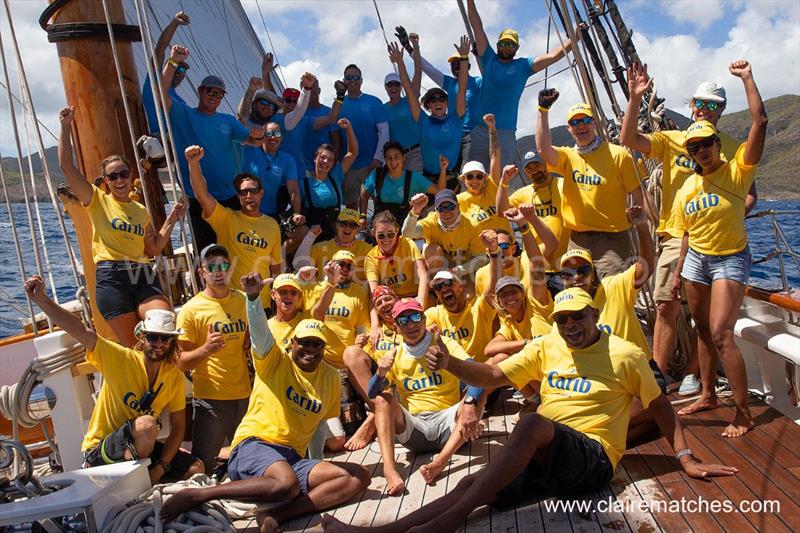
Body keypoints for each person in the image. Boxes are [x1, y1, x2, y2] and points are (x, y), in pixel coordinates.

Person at [322, 288, 738, 532]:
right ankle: (385, 530)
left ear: (594, 314)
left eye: (578, 317)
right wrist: (450, 363)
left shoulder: (625, 354)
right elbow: (488, 374)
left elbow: (662, 408)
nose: (571, 325)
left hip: (592, 460)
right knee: (476, 484)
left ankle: (439, 528)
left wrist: (685, 459)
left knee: (532, 422)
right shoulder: (547, 346)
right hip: (548, 455)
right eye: (562, 320)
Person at [160, 274, 370, 531]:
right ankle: (203, 494)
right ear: (292, 343)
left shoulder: (328, 377)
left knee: (358, 476)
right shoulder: (274, 362)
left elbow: (317, 427)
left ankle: (280, 515)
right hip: (255, 445)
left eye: (317, 344)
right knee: (286, 483)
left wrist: (317, 462)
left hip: (292, 458)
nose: (310, 349)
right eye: (304, 342)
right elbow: (260, 334)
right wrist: (252, 299)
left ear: (324, 348)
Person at [620, 62, 759, 395]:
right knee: (666, 303)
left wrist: (729, 214)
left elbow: (750, 195)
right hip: (674, 234)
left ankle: (694, 375)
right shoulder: (672, 140)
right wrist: (635, 98)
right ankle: (657, 377)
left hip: (715, 240)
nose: (706, 110)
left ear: (721, 111)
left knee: (706, 317)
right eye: (701, 103)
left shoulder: (731, 146)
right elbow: (628, 138)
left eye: (714, 105)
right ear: (692, 106)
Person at [24, 276, 204, 485]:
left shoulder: (173, 376)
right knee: (147, 426)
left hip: (140, 446)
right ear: (142, 337)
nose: (158, 344)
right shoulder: (120, 359)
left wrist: (161, 467)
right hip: (100, 451)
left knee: (195, 467)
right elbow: (81, 331)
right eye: (153, 337)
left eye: (165, 338)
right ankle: (139, 487)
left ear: (172, 341)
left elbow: (178, 427)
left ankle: (146, 481)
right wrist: (42, 300)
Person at [669, 61, 767, 438]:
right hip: (695, 263)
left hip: (729, 259)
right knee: (701, 330)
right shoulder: (686, 191)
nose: (701, 151)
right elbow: (687, 236)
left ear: (716, 143)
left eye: (706, 143)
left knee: (722, 332)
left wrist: (746, 78)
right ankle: (708, 393)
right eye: (693, 147)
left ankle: (743, 413)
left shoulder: (738, 170)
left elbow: (759, 123)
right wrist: (679, 273)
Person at [58, 106, 183, 347]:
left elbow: (153, 248)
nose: (119, 180)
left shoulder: (140, 211)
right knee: (136, 347)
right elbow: (66, 166)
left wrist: (171, 220)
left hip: (143, 274)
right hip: (112, 278)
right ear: (105, 181)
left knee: (162, 323)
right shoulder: (96, 200)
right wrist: (65, 127)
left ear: (129, 175)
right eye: (112, 177)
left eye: (123, 174)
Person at [365, 298, 485, 494]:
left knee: (476, 398)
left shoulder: (445, 344)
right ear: (395, 326)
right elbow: (371, 393)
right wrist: (380, 373)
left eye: (414, 317)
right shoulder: (393, 355)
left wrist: (470, 404)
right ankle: (390, 469)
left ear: (423, 318)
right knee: (382, 399)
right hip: (414, 428)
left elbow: (477, 375)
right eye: (403, 320)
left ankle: (440, 462)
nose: (410, 324)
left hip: (450, 424)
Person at [160, 45, 264, 251]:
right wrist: (172, 62)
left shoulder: (227, 121)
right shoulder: (183, 114)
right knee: (206, 251)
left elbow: (252, 142)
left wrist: (259, 137)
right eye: (210, 91)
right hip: (199, 198)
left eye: (219, 94)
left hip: (229, 197)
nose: (214, 97)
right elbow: (160, 93)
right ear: (200, 91)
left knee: (234, 249)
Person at [536, 89, 646, 278]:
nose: (581, 126)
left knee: (613, 294)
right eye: (575, 122)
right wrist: (542, 110)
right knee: (579, 295)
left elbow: (639, 194)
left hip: (613, 240)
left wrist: (644, 224)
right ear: (568, 129)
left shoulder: (619, 155)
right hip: (577, 240)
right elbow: (543, 150)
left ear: (594, 123)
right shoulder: (568, 157)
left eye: (586, 120)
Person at [465, 0, 576, 168]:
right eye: (503, 43)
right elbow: (476, 25)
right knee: (472, 176)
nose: (506, 47)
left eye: (510, 44)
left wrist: (575, 37)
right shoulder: (488, 58)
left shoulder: (523, 66)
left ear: (516, 48)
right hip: (481, 130)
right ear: (497, 45)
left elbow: (553, 56)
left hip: (506, 132)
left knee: (502, 177)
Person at [176, 244, 250, 474]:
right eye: (212, 267)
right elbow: (181, 361)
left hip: (245, 396)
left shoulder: (243, 300)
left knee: (250, 457)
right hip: (211, 401)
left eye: (224, 266)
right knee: (202, 465)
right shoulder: (190, 311)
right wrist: (206, 349)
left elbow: (248, 340)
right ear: (202, 273)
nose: (219, 272)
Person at [185, 145, 282, 310]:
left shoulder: (272, 225)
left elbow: (276, 268)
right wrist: (193, 163)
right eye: (244, 193)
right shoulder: (227, 218)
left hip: (262, 304)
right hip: (232, 303)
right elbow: (202, 195)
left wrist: (276, 301)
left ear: (261, 193)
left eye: (253, 191)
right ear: (238, 197)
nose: (249, 196)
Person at [388, 38, 468, 190]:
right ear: (428, 105)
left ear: (447, 102)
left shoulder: (456, 118)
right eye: (433, 100)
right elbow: (410, 93)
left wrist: (464, 59)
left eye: (442, 99)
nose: (438, 103)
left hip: (454, 179)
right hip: (428, 180)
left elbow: (462, 88)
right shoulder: (423, 121)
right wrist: (400, 62)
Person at [497, 153, 570, 296]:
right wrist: (504, 181)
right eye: (529, 168)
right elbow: (501, 211)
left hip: (567, 264)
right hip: (538, 267)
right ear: (525, 173)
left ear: (546, 164)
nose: (535, 170)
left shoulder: (564, 185)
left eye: (537, 164)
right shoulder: (523, 194)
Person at [424, 230, 502, 362]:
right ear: (436, 294)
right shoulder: (433, 314)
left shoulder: (478, 309)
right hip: (453, 375)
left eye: (448, 283)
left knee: (501, 359)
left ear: (461, 287)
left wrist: (494, 252)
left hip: (479, 372)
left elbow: (495, 281)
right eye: (438, 287)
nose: (443, 288)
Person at [341, 285, 401, 452]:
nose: (384, 304)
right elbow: (361, 364)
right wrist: (359, 346)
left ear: (397, 299)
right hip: (385, 388)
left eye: (388, 299)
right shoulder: (375, 333)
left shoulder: (412, 320)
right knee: (351, 353)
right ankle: (379, 410)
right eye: (379, 302)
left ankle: (371, 421)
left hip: (408, 385)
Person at [420, 45, 482, 163]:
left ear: (467, 65)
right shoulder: (449, 83)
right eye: (453, 65)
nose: (456, 66)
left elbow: (490, 79)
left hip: (472, 136)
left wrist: (481, 57)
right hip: (453, 136)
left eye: (459, 63)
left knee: (468, 172)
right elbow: (429, 69)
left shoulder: (478, 82)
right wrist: (411, 50)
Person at [339, 63, 390, 208]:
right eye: (349, 77)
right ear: (344, 81)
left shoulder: (373, 102)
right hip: (350, 166)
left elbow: (384, 131)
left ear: (361, 80)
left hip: (372, 164)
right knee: (351, 206)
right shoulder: (339, 103)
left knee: (379, 204)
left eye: (356, 77)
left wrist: (377, 158)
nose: (352, 80)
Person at [359, 142, 446, 225]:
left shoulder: (413, 177)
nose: (393, 161)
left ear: (403, 157)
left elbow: (439, 190)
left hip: (402, 226)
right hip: (380, 225)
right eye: (389, 158)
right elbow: (364, 195)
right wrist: (363, 216)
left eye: (396, 157)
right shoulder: (377, 174)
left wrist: (443, 169)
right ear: (385, 159)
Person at [402, 189, 484, 277]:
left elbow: (481, 259)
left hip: (463, 271)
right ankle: (436, 285)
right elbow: (407, 233)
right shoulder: (431, 221)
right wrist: (415, 211)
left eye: (451, 207)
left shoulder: (473, 225)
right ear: (436, 211)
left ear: (458, 206)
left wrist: (456, 271)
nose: (446, 212)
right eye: (441, 209)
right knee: (432, 250)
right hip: (439, 269)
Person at [301, 118, 359, 241]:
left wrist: (348, 129)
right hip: (312, 237)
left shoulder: (335, 176)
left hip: (334, 237)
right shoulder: (304, 184)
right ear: (315, 158)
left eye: (330, 160)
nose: (326, 162)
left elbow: (353, 153)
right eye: (322, 158)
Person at [457, 114, 512, 234]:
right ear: (463, 179)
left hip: (507, 246)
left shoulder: (493, 187)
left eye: (479, 176)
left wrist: (492, 128)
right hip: (482, 251)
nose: (475, 180)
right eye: (470, 176)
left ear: (485, 177)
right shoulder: (459, 201)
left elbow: (495, 156)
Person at [365, 210, 429, 305]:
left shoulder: (407, 243)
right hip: (392, 301)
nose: (386, 239)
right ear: (374, 234)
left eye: (391, 234)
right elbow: (375, 293)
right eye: (381, 235)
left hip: (415, 295)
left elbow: (423, 276)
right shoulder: (371, 257)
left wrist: (420, 303)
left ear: (397, 231)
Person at [141, 11, 190, 135]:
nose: (179, 72)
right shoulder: (154, 82)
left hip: (179, 146)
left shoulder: (181, 102)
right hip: (159, 143)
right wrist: (174, 23)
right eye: (176, 66)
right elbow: (160, 49)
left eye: (183, 70)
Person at [294, 209, 373, 283]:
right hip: (324, 292)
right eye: (343, 224)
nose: (347, 228)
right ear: (336, 225)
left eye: (352, 225)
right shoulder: (321, 247)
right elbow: (298, 265)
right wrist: (310, 237)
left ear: (358, 228)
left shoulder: (367, 250)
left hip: (354, 295)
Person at [383, 31, 423, 172]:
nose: (393, 87)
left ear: (401, 86)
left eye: (396, 84)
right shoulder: (382, 109)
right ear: (385, 88)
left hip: (415, 153)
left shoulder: (409, 100)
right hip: (395, 158)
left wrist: (415, 46)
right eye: (390, 84)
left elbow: (418, 71)